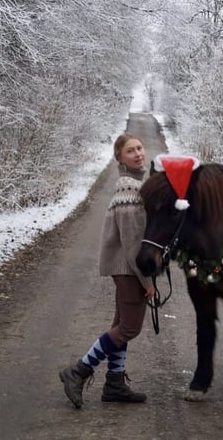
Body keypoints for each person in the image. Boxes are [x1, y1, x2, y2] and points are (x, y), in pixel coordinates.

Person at [59, 133, 155, 407]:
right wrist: (147, 279)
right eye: (130, 151)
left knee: (120, 325)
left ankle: (114, 384)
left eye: (139, 147)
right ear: (119, 158)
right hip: (128, 267)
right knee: (129, 328)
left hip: (125, 267)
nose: (137, 153)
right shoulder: (130, 189)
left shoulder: (135, 183)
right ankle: (78, 371)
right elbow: (132, 240)